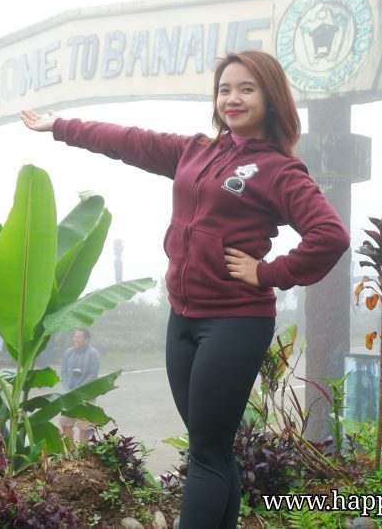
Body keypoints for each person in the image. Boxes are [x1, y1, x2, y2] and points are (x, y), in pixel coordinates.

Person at [21, 50, 350, 529]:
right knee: (211, 449)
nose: (232, 98)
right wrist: (61, 126)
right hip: (183, 319)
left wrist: (269, 273)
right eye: (224, 89)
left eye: (246, 89)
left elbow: (330, 235)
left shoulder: (280, 170)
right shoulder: (197, 150)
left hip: (236, 321)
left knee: (205, 457)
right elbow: (130, 141)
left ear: (272, 98)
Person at [58, 327, 100, 443]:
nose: (75, 339)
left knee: (85, 426)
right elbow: (64, 372)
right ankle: (72, 451)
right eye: (74, 337)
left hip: (86, 395)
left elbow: (92, 375)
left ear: (87, 339)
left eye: (78, 337)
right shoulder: (69, 352)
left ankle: (83, 452)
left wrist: (79, 390)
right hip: (69, 394)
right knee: (65, 423)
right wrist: (68, 388)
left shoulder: (93, 354)